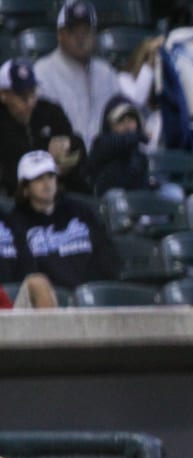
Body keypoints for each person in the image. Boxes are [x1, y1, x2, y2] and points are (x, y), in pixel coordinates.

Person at [6, 151, 118, 289]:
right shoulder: (16, 222)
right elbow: (26, 270)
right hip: (51, 301)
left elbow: (104, 252)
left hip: (92, 293)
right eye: (38, 178)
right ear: (25, 188)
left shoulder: (80, 211)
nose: (47, 183)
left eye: (51, 176)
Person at [33, 1, 117, 148]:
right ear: (60, 35)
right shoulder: (42, 72)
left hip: (102, 162)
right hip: (63, 162)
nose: (80, 37)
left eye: (86, 30)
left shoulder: (106, 72)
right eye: (73, 31)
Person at [0, 57, 87, 197]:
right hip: (14, 197)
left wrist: (68, 146)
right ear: (3, 95)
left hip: (60, 192)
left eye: (32, 93)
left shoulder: (49, 112)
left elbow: (80, 148)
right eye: (22, 96)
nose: (30, 102)